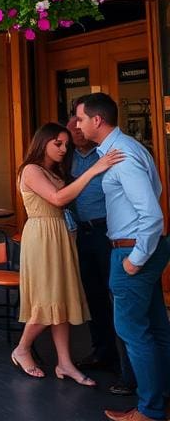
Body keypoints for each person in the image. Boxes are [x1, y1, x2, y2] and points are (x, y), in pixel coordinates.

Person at [75, 93, 170, 421]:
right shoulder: (129, 148)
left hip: (132, 250)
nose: (77, 124)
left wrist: (136, 258)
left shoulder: (122, 155)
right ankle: (161, 398)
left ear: (97, 120)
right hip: (142, 248)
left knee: (132, 330)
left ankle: (150, 410)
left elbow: (152, 212)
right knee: (156, 326)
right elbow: (155, 191)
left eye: (81, 119)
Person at [11, 122, 122, 383]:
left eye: (66, 145)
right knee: (47, 298)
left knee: (59, 298)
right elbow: (58, 199)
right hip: (41, 236)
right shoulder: (31, 170)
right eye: (57, 144)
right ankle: (22, 348)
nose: (63, 149)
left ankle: (65, 363)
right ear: (42, 143)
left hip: (59, 235)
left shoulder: (53, 170)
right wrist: (95, 169)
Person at [66, 115, 136, 396]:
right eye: (73, 128)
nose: (77, 130)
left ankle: (127, 367)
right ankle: (102, 352)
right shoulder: (66, 157)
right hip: (81, 232)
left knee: (117, 296)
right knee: (93, 295)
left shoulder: (107, 153)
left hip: (109, 231)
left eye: (79, 124)